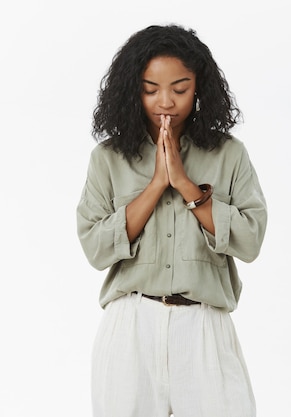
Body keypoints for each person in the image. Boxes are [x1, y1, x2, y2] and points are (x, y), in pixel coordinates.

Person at [76, 24, 267, 417]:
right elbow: (96, 249)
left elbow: (249, 241)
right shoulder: (108, 158)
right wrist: (156, 185)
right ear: (133, 90)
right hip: (131, 326)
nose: (166, 101)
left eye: (179, 89)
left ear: (199, 87)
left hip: (204, 325)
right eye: (150, 89)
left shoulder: (229, 155)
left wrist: (185, 185)